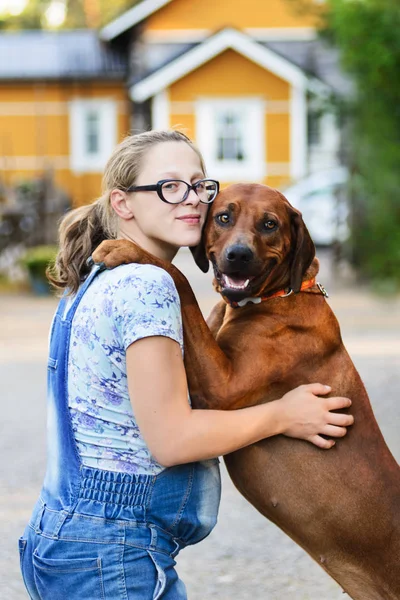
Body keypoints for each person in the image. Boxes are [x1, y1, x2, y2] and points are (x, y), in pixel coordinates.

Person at [18, 130, 354, 600]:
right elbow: (173, 439)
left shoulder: (95, 278)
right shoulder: (148, 286)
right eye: (169, 187)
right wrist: (285, 415)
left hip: (67, 536)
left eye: (199, 185)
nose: (192, 200)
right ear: (124, 203)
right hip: (114, 555)